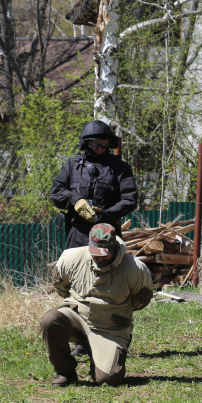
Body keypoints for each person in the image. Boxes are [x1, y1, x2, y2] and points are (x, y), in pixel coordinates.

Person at [39, 223, 154, 386]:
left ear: (114, 248)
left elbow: (142, 299)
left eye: (104, 255)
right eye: (95, 254)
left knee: (107, 379)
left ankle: (107, 354)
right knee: (50, 320)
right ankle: (66, 371)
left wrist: (118, 314)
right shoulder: (70, 257)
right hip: (78, 317)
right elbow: (60, 285)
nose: (99, 258)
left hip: (110, 328)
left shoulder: (135, 268)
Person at [50, 121, 139, 250]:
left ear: (110, 143)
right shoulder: (72, 164)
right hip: (77, 234)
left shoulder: (120, 167)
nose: (99, 147)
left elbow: (130, 199)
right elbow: (56, 192)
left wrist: (105, 214)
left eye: (103, 143)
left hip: (108, 233)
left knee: (109, 268)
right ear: (85, 143)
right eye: (94, 143)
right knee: (74, 268)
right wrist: (75, 200)